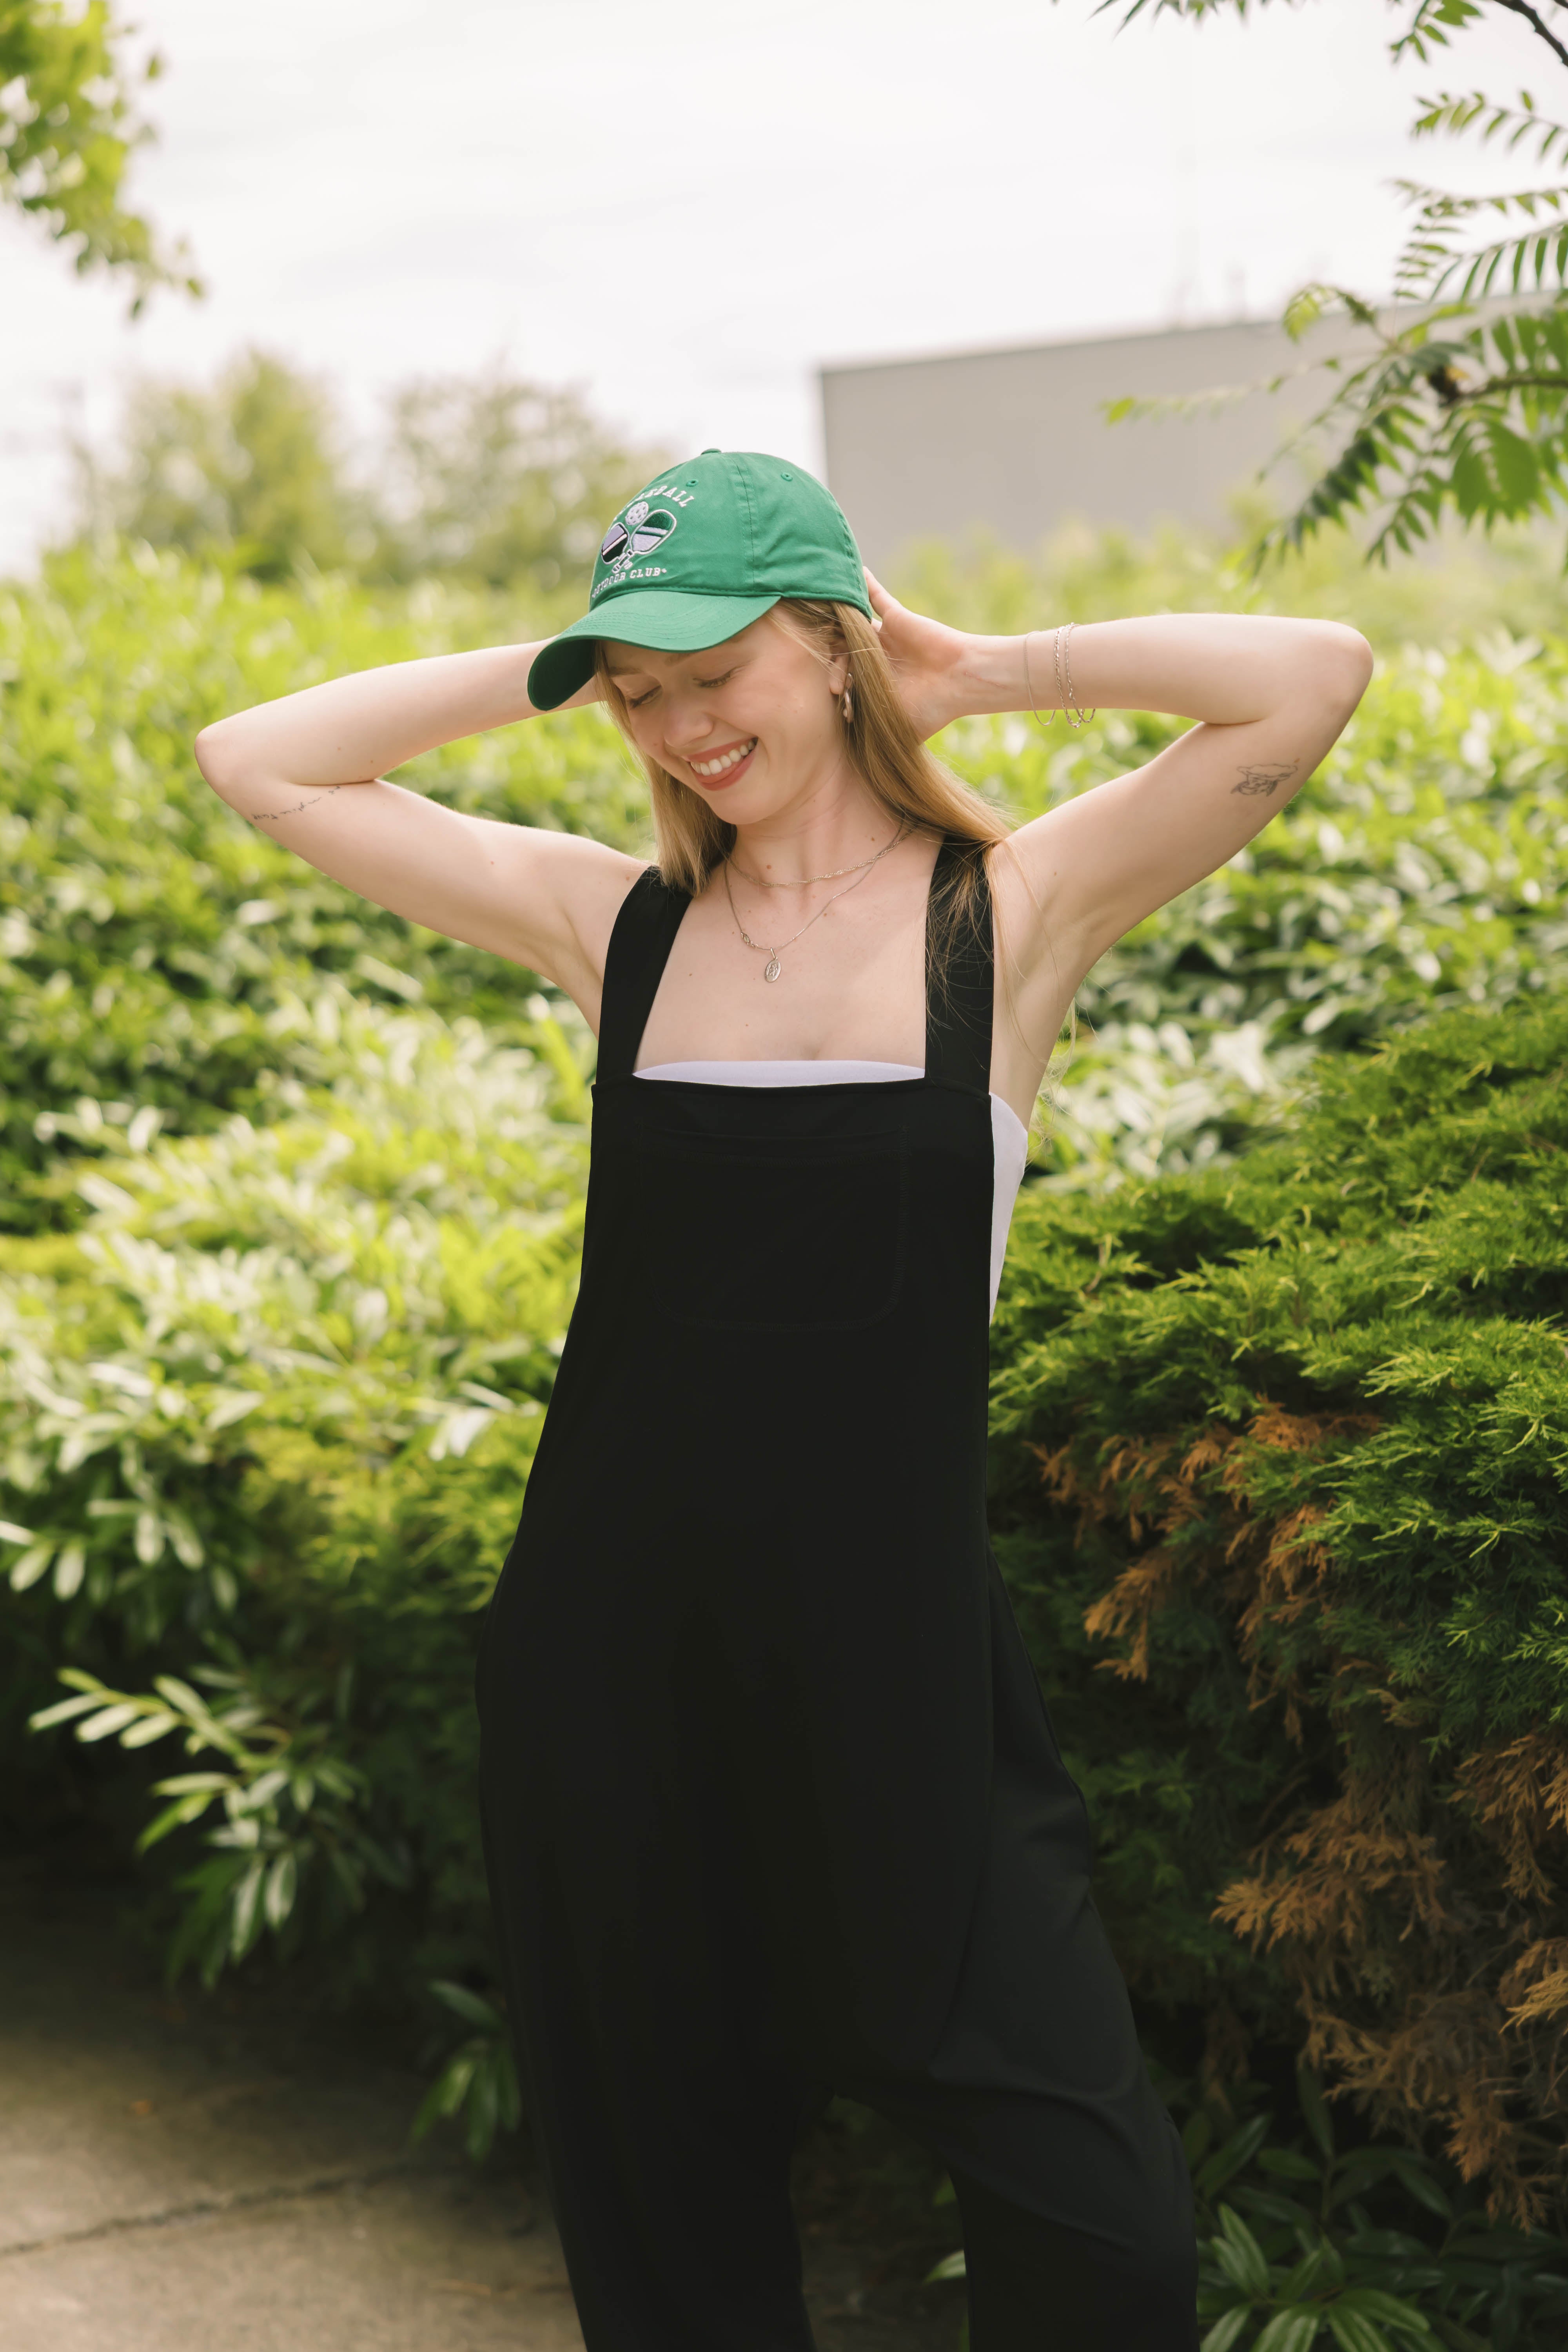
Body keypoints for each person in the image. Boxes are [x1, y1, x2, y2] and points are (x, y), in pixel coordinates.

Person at [194, 449, 1372, 2350]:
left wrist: (981, 671)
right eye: (638, 695)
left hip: (902, 1681)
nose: (677, 726)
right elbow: (259, 759)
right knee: (671, 2250)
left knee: (1107, 2242)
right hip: (613, 1684)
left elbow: (1309, 673)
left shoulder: (1011, 911)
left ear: (833, 647)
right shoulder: (617, 929)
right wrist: (571, 657)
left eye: (714, 671)